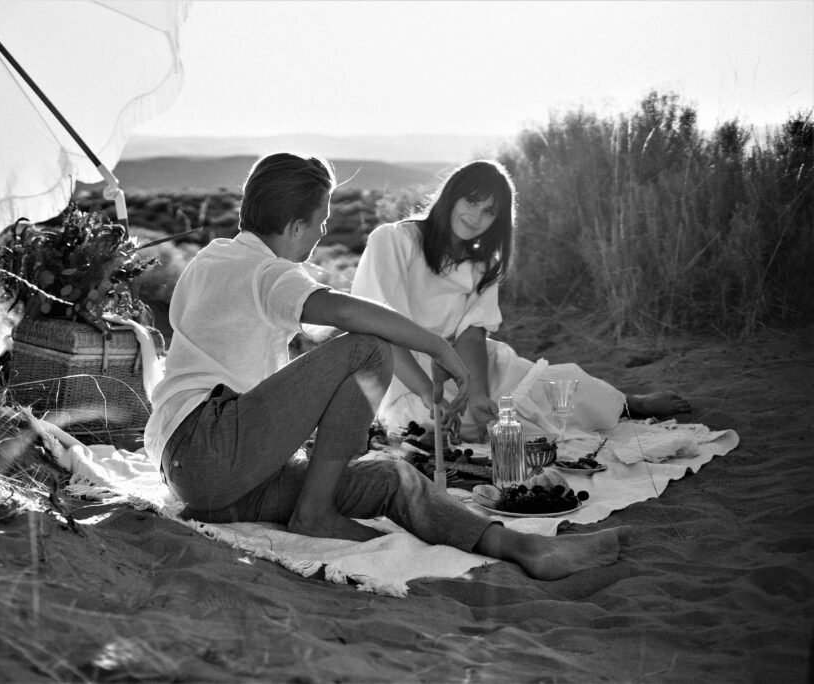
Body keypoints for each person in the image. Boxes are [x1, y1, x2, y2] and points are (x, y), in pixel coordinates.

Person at [143, 152, 622, 580]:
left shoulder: (209, 261)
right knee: (368, 347)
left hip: (220, 481)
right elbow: (350, 316)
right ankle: (314, 512)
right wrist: (436, 346)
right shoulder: (265, 272)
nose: (324, 231)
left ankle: (519, 546)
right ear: (294, 228)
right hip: (208, 447)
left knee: (392, 477)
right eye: (321, 221)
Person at [351, 160, 691, 443]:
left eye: (488, 212)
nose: (475, 217)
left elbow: (472, 335)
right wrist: (429, 392)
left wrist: (478, 393)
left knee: (551, 388)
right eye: (471, 202)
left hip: (463, 367)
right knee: (438, 426)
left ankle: (627, 403)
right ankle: (443, 412)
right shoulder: (394, 240)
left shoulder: (482, 263)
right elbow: (380, 329)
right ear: (451, 196)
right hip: (399, 368)